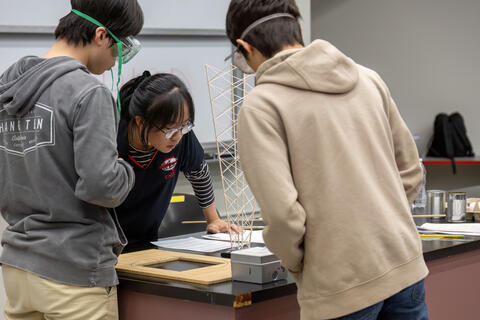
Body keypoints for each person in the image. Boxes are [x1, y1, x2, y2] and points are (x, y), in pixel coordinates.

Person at [226, 1, 429, 319]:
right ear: (299, 29)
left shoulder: (261, 106)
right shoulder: (368, 79)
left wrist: (303, 263)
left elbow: (282, 216)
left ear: (244, 47)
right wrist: (383, 221)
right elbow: (411, 171)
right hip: (404, 265)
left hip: (339, 286)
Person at [0, 1, 143, 319]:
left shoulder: (7, 90)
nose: (115, 61)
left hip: (18, 266)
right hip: (73, 270)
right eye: (120, 48)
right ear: (102, 36)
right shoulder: (87, 92)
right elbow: (102, 185)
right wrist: (126, 170)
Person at [115, 71, 236, 250]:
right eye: (170, 130)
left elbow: (199, 172)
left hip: (147, 240)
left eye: (184, 126)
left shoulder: (180, 135)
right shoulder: (112, 134)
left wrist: (214, 220)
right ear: (140, 122)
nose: (177, 137)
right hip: (105, 242)